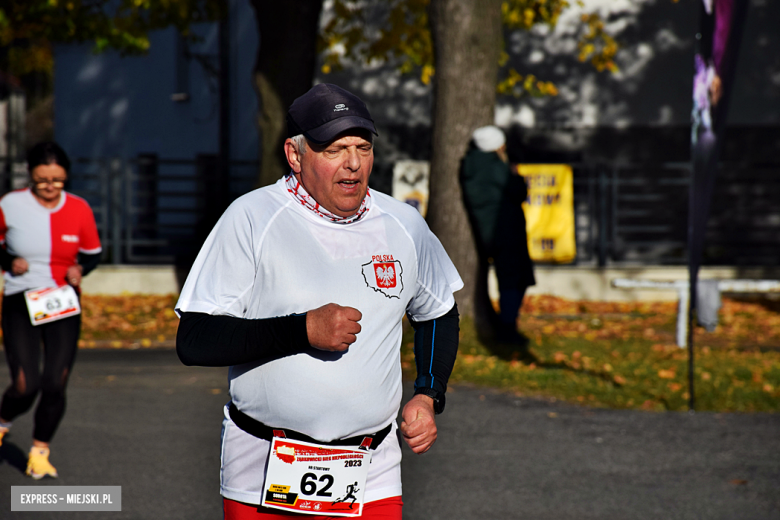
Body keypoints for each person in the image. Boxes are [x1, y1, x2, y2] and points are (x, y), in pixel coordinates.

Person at [175, 83, 462, 520]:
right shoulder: (251, 217)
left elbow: (439, 311)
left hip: (371, 471)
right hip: (264, 468)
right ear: (296, 155)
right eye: (334, 150)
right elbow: (195, 339)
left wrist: (428, 394)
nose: (352, 164)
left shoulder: (403, 223)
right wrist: (301, 329)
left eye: (362, 148)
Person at [0, 141, 102, 478]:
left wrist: (80, 270)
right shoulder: (11, 204)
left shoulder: (79, 208)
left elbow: (93, 254)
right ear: (30, 174)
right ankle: (2, 421)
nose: (49, 186)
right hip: (21, 298)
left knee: (56, 381)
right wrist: (8, 261)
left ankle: (40, 451)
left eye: (57, 180)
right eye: (42, 179)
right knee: (24, 384)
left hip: (62, 301)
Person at [460, 125, 535, 346]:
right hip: (506, 231)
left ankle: (507, 325)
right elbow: (518, 191)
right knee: (514, 280)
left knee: (511, 278)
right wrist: (514, 173)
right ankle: (508, 330)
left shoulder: (470, 164)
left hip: (488, 232)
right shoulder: (496, 167)